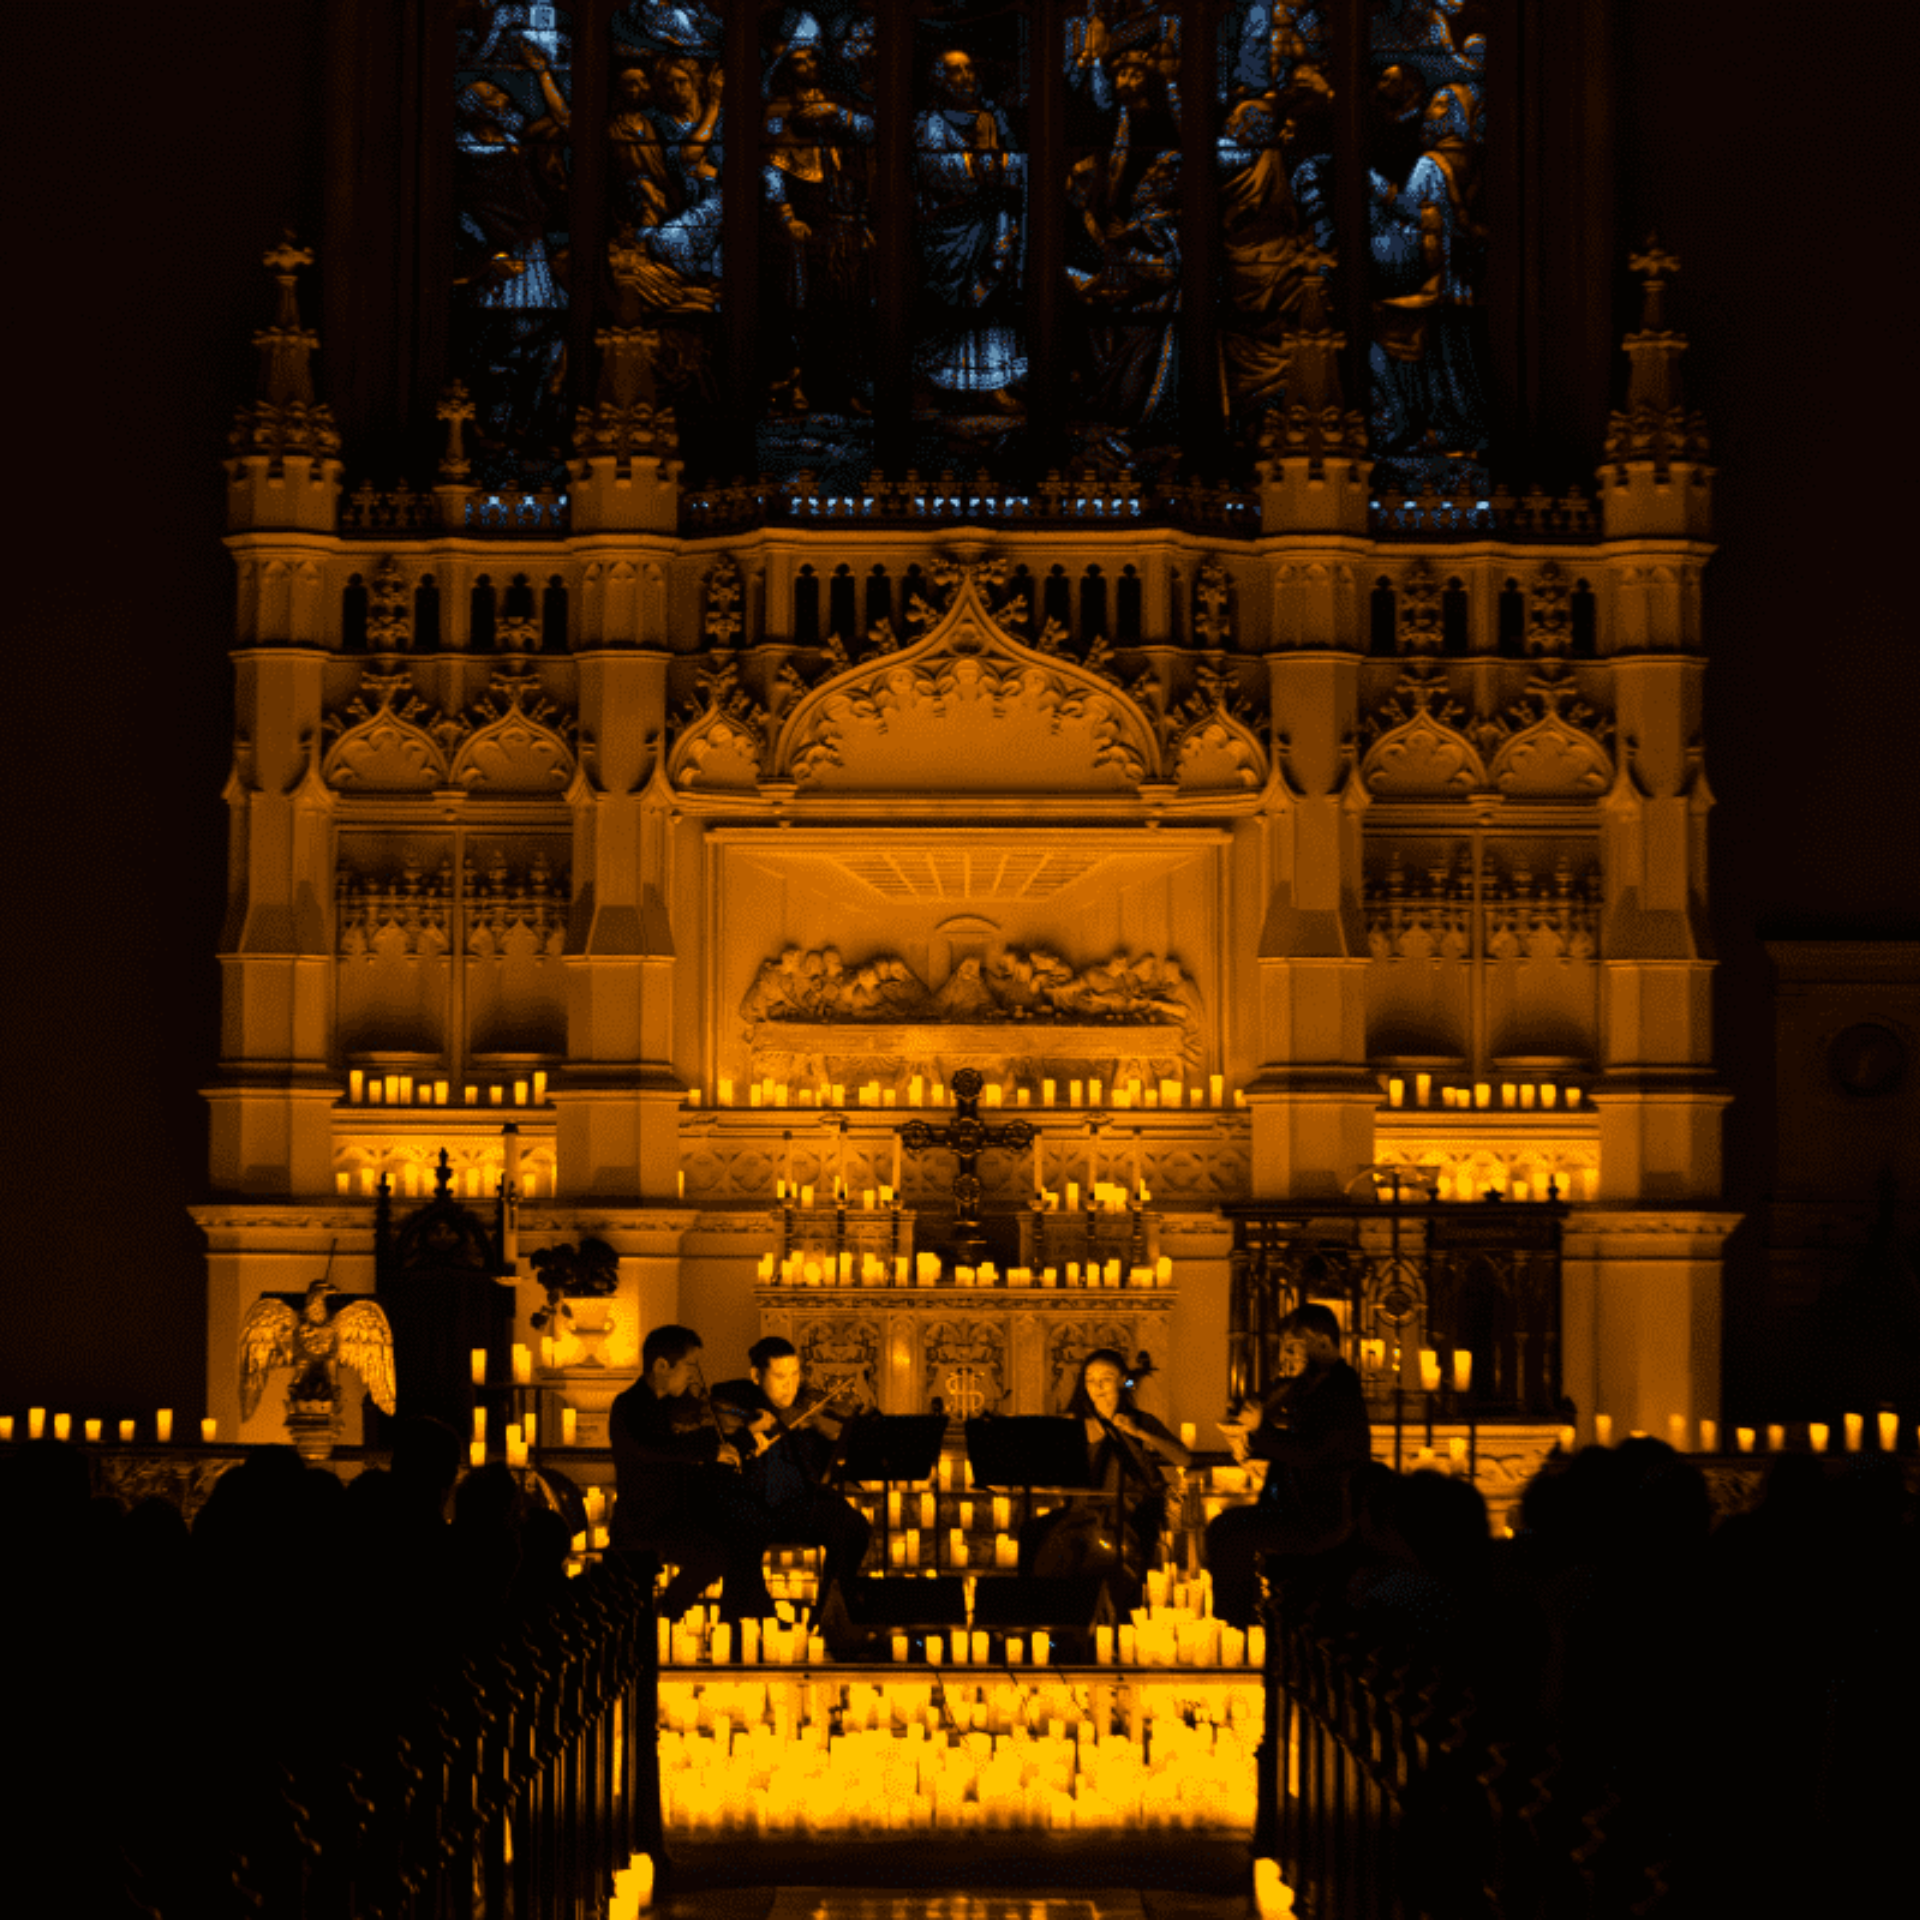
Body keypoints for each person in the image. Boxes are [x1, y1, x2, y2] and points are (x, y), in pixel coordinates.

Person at [1206, 1303, 1373, 1627]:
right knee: (1223, 1528)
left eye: (1293, 1347)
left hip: (1321, 1518)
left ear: (1323, 1342)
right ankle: (1243, 1616)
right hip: (1298, 1508)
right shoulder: (1314, 1386)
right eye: (1284, 1348)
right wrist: (1251, 1437)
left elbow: (1312, 1452)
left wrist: (1260, 1429)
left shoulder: (1339, 1390)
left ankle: (1238, 1624)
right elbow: (1290, 1439)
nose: (1286, 1356)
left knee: (1229, 1534)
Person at [608, 1323, 774, 1622]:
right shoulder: (628, 1406)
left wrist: (743, 1439)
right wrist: (714, 1451)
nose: (692, 1375)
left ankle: (744, 1618)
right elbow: (652, 1449)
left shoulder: (671, 1406)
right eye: (689, 1366)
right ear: (661, 1365)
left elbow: (698, 1443)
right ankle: (665, 1616)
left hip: (680, 1513)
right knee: (714, 1555)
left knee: (745, 1533)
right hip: (644, 1519)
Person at [711, 1336, 871, 1612]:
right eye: (780, 1376)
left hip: (798, 1505)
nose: (791, 1385)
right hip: (754, 1506)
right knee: (742, 1532)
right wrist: (749, 1431)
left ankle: (830, 1611)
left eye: (796, 1374)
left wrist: (838, 1440)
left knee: (854, 1526)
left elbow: (829, 1462)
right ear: (756, 1376)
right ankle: (754, 1615)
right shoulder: (738, 1404)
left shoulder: (807, 1412)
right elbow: (720, 1447)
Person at [1023, 1348, 1190, 1602]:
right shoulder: (1073, 1423)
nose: (1097, 1386)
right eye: (1090, 1379)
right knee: (1032, 1532)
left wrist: (1139, 1433)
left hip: (1129, 1515)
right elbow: (1048, 1468)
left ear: (1123, 1381)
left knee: (1106, 1555)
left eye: (1106, 1379)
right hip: (1078, 1514)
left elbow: (1183, 1458)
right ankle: (1041, 1616)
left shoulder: (1140, 1421)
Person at [913, 48, 1027, 410]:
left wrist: (1004, 168)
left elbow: (1016, 163)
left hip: (993, 222)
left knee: (992, 300)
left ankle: (992, 379)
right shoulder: (930, 124)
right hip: (952, 230)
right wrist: (987, 168)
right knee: (955, 304)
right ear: (939, 79)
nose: (966, 78)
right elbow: (945, 176)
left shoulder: (993, 117)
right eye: (955, 71)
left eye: (969, 69)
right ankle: (939, 378)